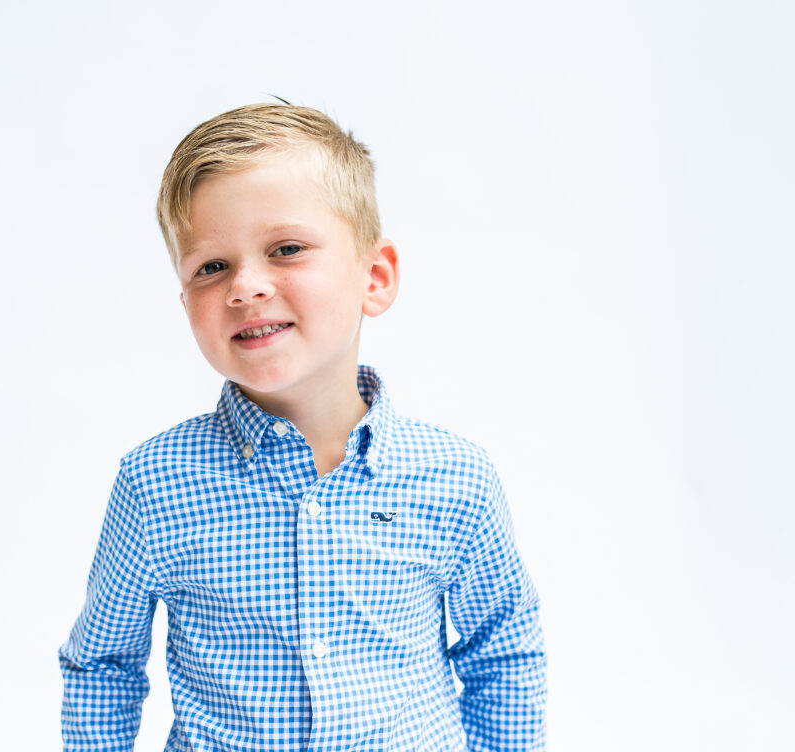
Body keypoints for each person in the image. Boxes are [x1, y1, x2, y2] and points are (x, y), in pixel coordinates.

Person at [58, 103, 547, 751]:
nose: (246, 287)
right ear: (185, 302)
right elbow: (103, 666)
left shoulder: (456, 476)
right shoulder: (155, 483)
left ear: (374, 277)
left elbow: (503, 651)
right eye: (211, 267)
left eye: (286, 249)